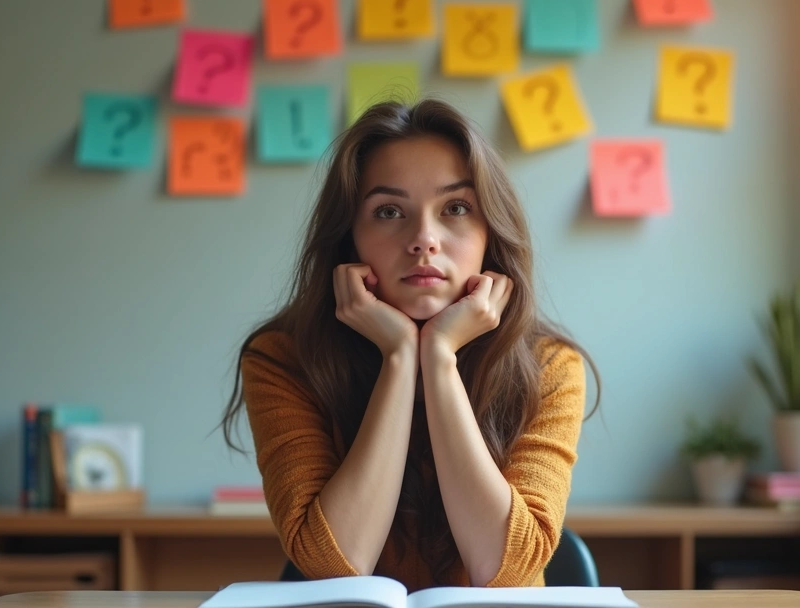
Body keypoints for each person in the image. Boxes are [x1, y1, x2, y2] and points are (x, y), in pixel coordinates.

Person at [218, 98, 602, 590]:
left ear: (491, 233)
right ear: (349, 238)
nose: (424, 238)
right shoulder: (283, 360)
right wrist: (399, 356)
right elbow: (336, 565)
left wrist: (438, 358)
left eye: (456, 208)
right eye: (389, 211)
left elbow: (505, 567)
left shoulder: (549, 366)